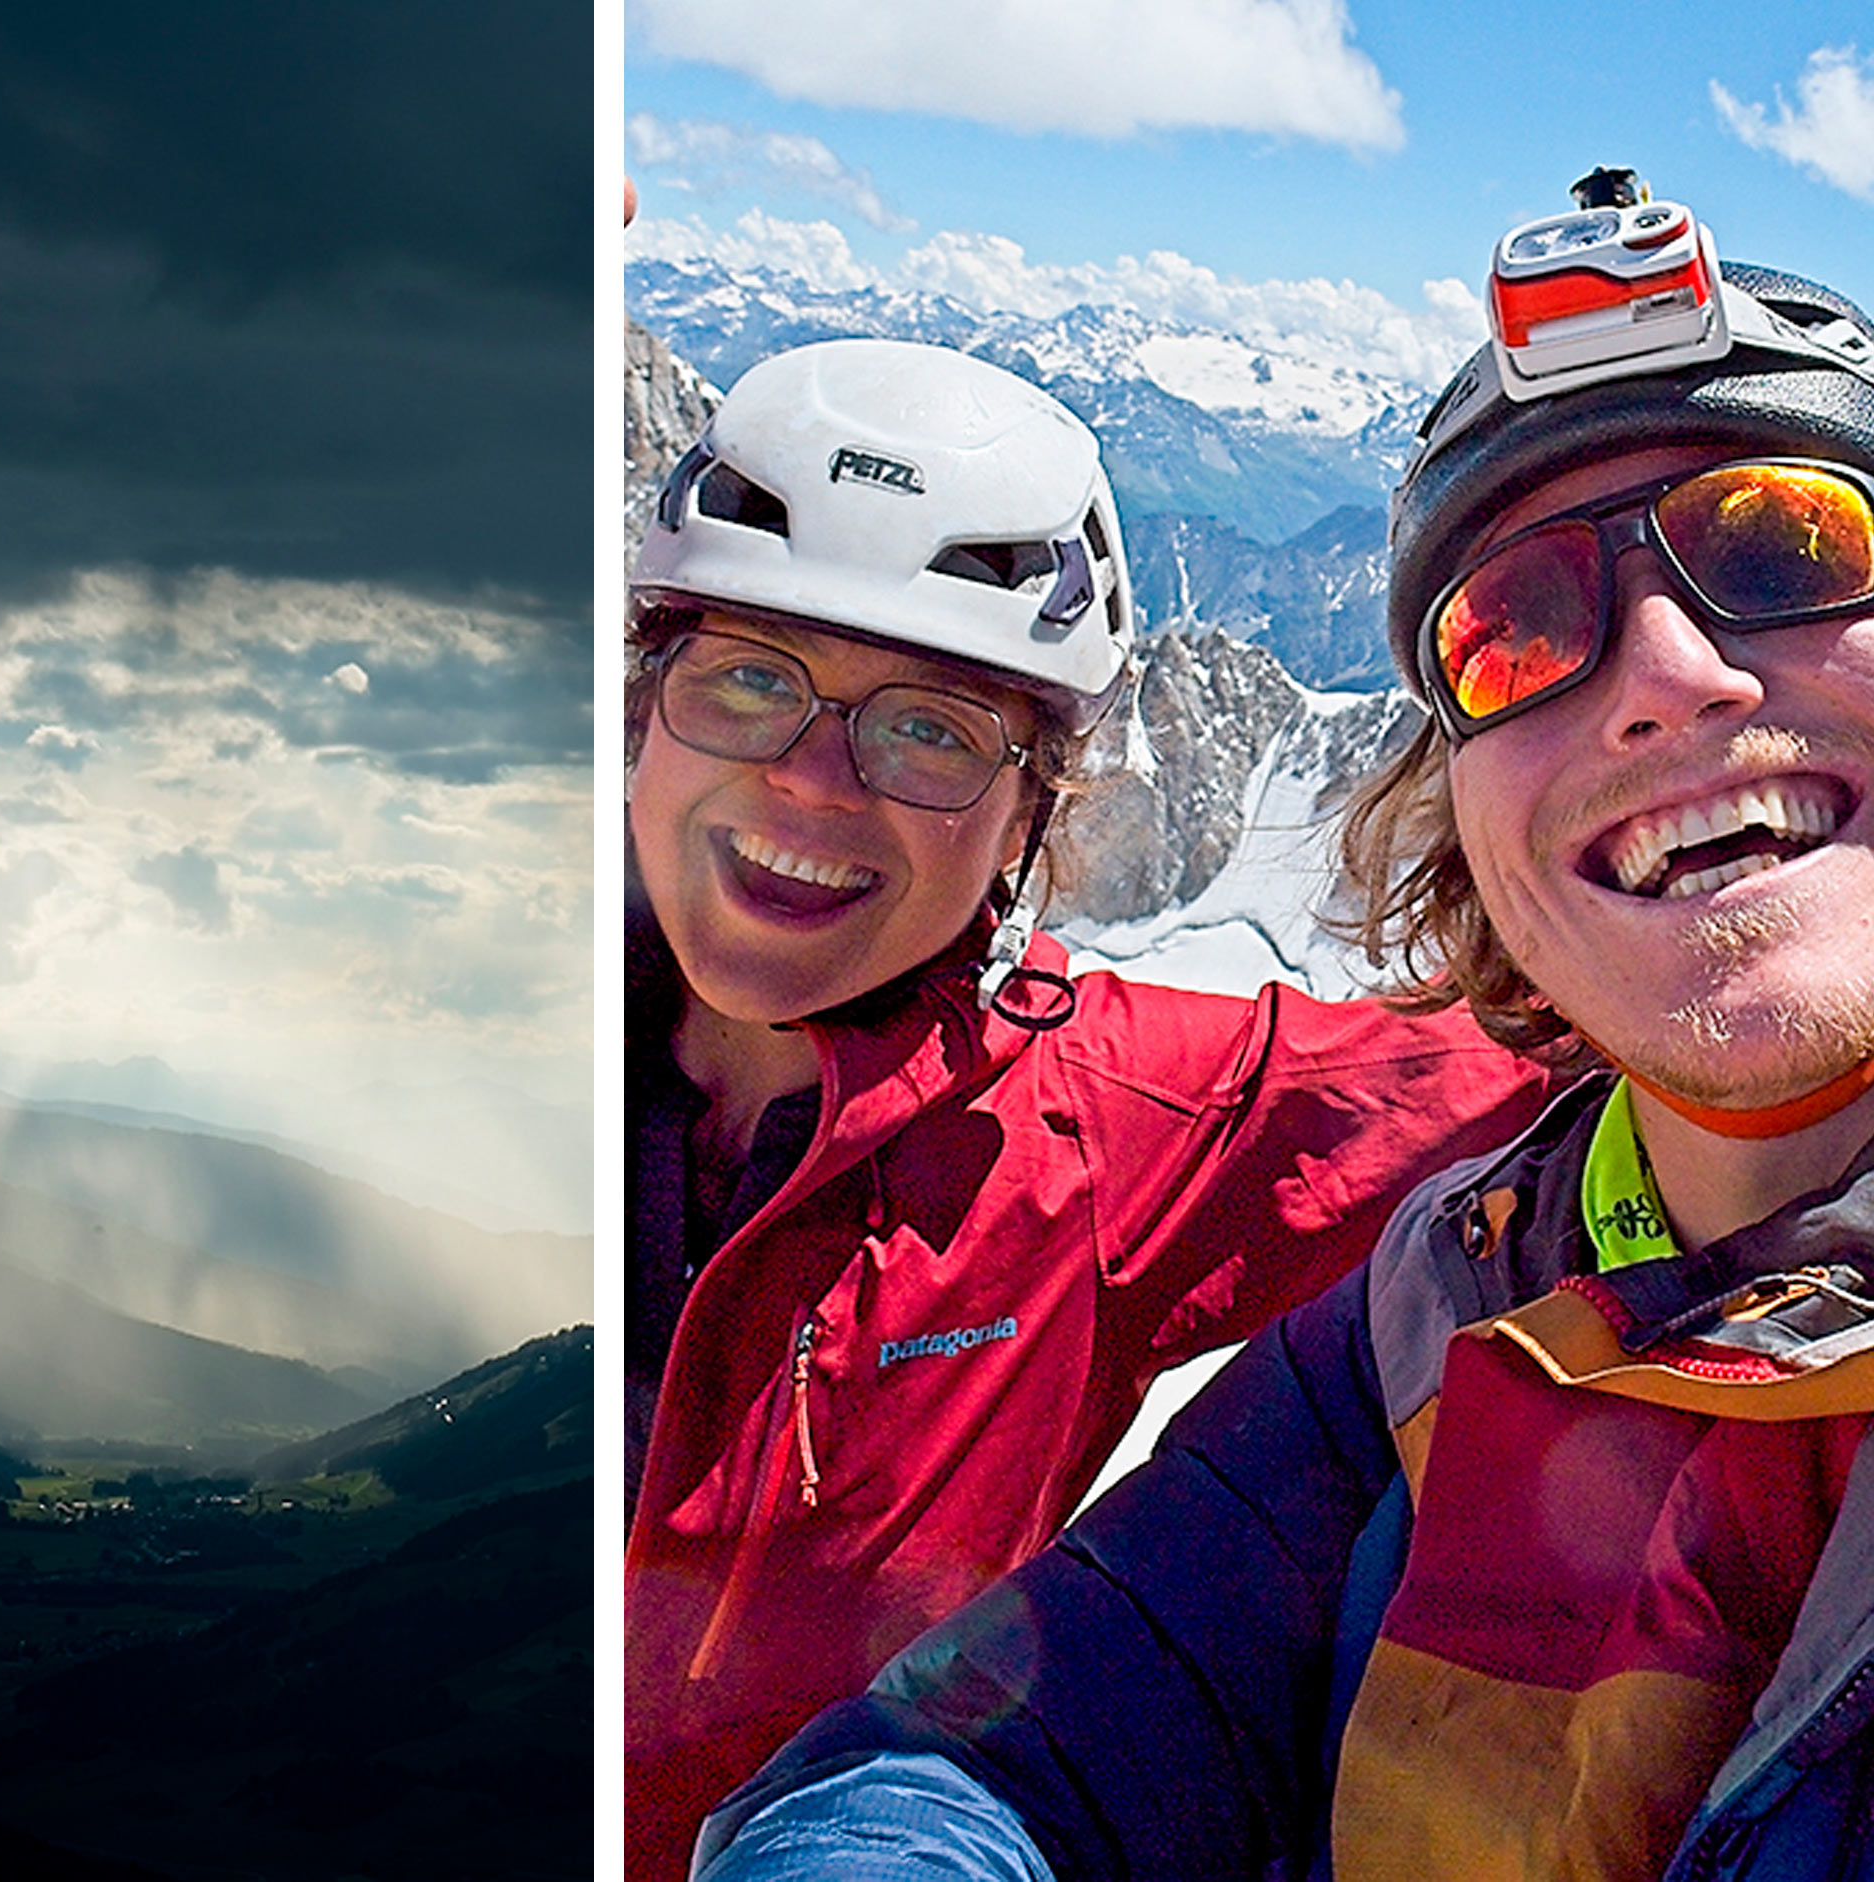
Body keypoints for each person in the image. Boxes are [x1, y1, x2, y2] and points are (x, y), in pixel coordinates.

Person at [693, 173, 1874, 1880]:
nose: (1670, 668)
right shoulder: (1430, 1318)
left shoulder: (1148, 1150)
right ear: (1461, 820)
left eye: (1787, 548)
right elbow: (1000, 1753)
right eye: (1519, 626)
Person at [624, 335, 1559, 1882]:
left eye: (927, 726)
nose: (810, 781)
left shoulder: (1109, 1124)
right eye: (748, 680)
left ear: (1029, 814)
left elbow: (1580, 1046)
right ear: (646, 705)